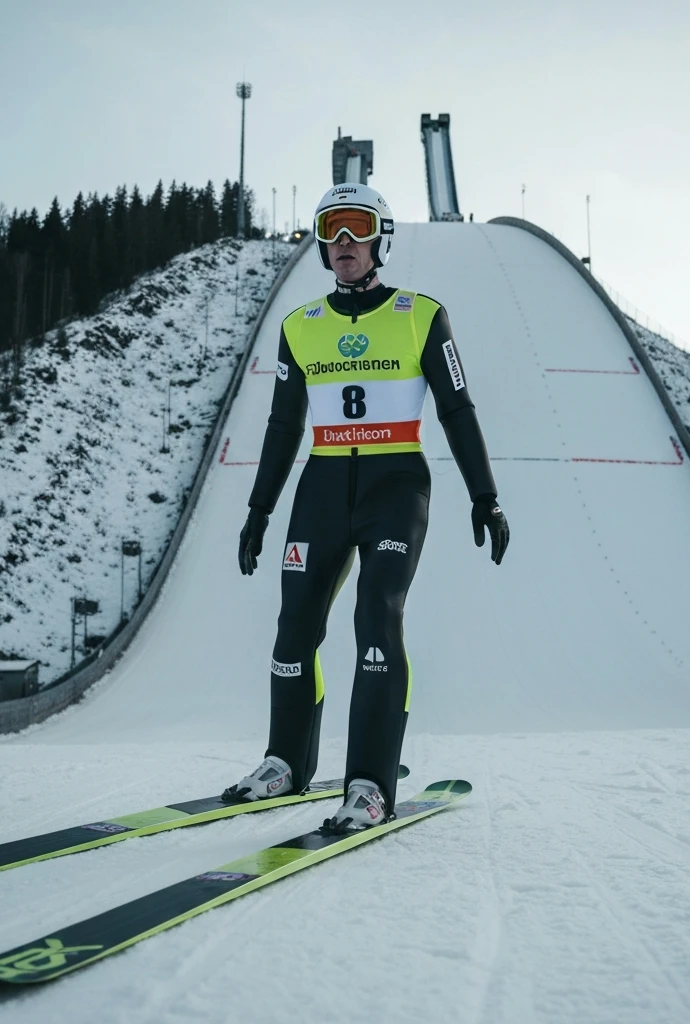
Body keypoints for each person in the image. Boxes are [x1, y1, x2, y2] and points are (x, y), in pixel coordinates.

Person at [225, 184, 509, 832]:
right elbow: (281, 426)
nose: (344, 242)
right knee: (294, 624)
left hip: (394, 485)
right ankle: (284, 763)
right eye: (331, 230)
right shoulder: (300, 327)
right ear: (322, 245)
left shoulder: (421, 314)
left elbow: (456, 409)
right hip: (323, 484)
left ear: (380, 238)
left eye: (356, 228)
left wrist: (485, 497)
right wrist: (259, 512)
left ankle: (369, 785)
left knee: (376, 615)